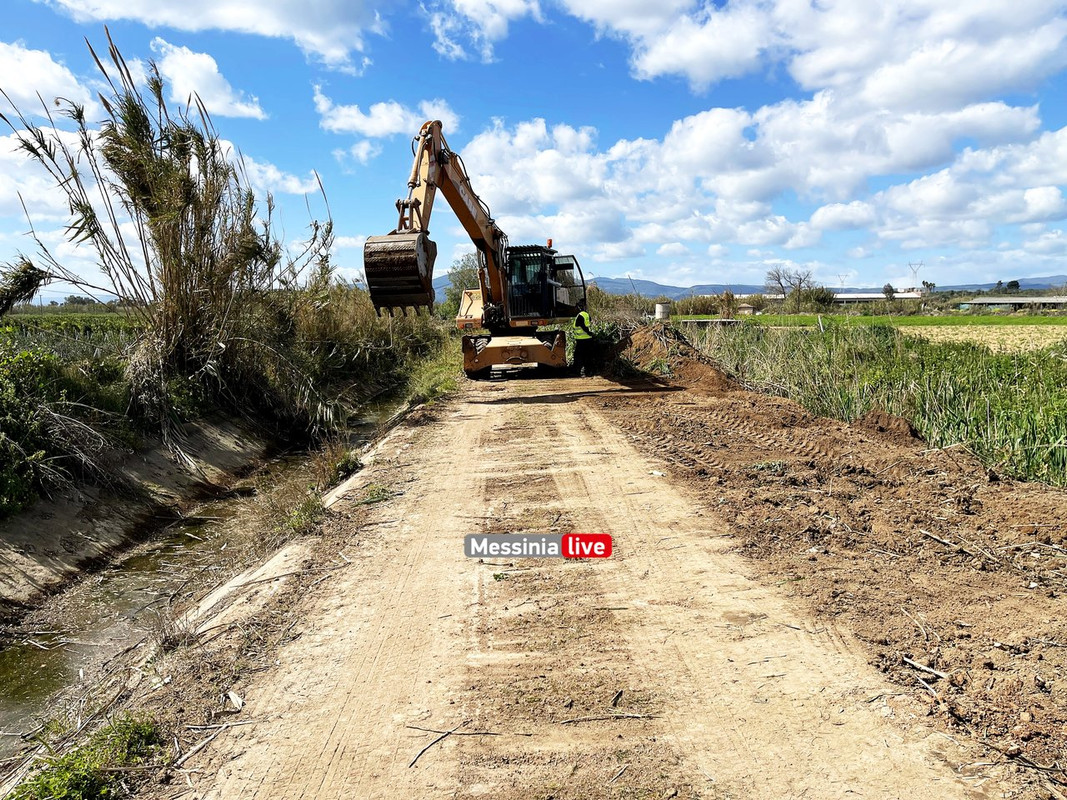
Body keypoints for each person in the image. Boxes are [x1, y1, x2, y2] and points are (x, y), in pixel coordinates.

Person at [572, 298, 594, 376]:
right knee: (587, 356)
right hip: (588, 339)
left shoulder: (580, 316)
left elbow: (583, 327)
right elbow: (588, 325)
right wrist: (590, 334)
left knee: (579, 357)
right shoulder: (586, 315)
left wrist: (588, 332)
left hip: (582, 341)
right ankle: (588, 372)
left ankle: (578, 372)